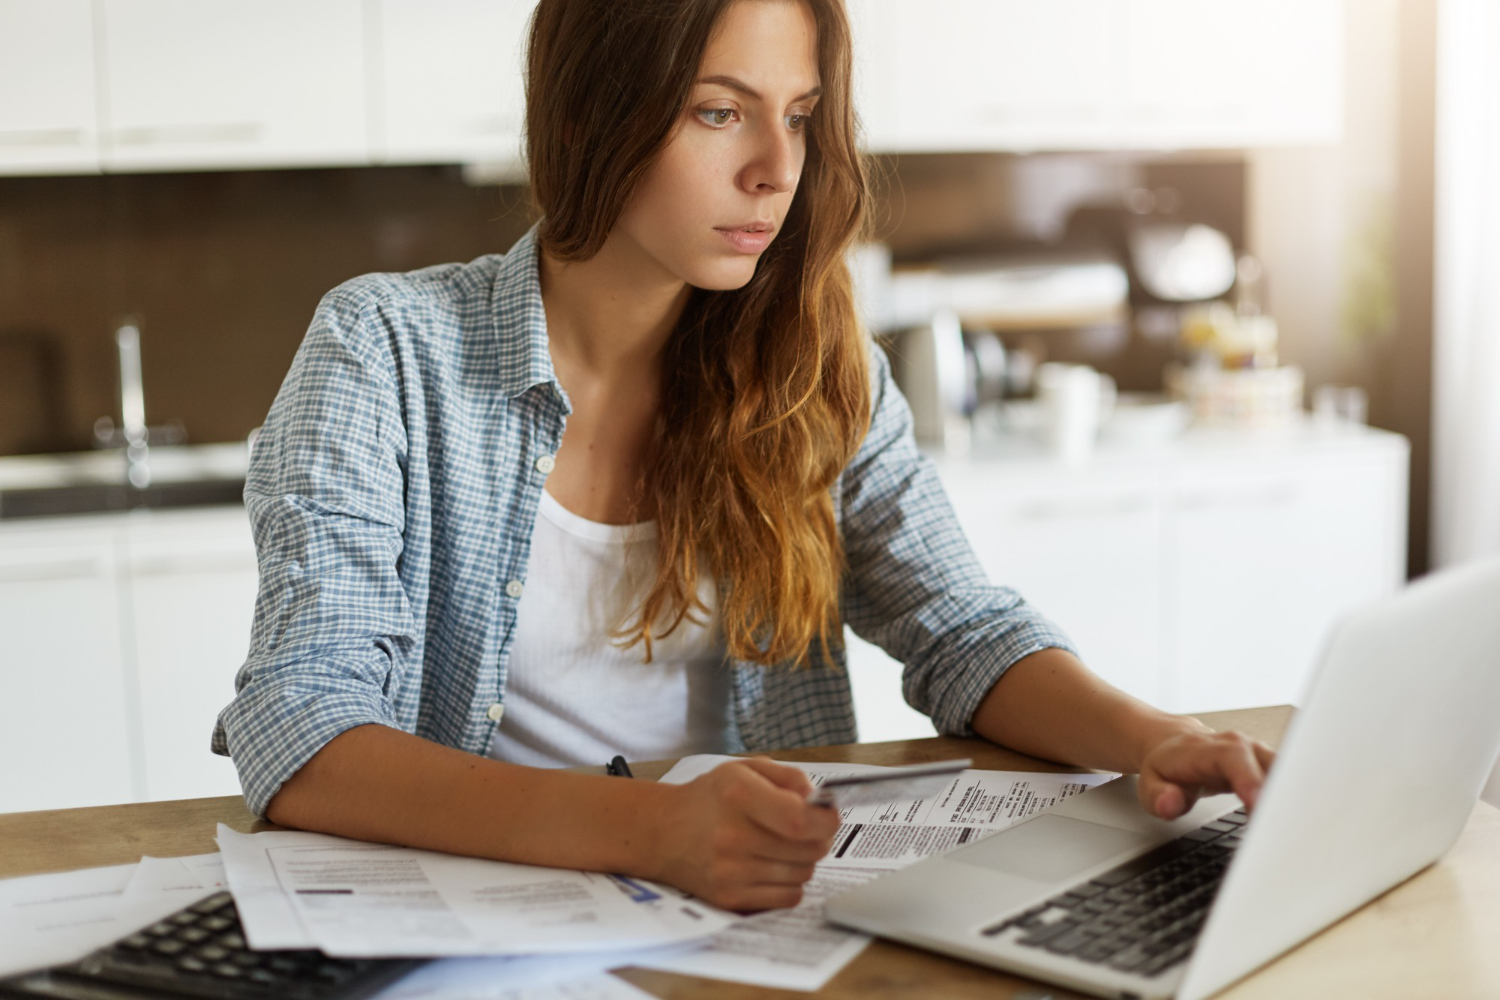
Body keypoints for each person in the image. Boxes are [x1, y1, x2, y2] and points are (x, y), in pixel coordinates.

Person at [213, 0, 1275, 912]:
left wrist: (1151, 738)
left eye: (800, 117)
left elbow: (960, 630)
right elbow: (304, 728)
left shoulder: (813, 364)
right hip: (482, 927)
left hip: (748, 924)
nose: (776, 170)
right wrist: (651, 828)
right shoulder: (386, 348)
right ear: (593, 112)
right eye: (720, 112)